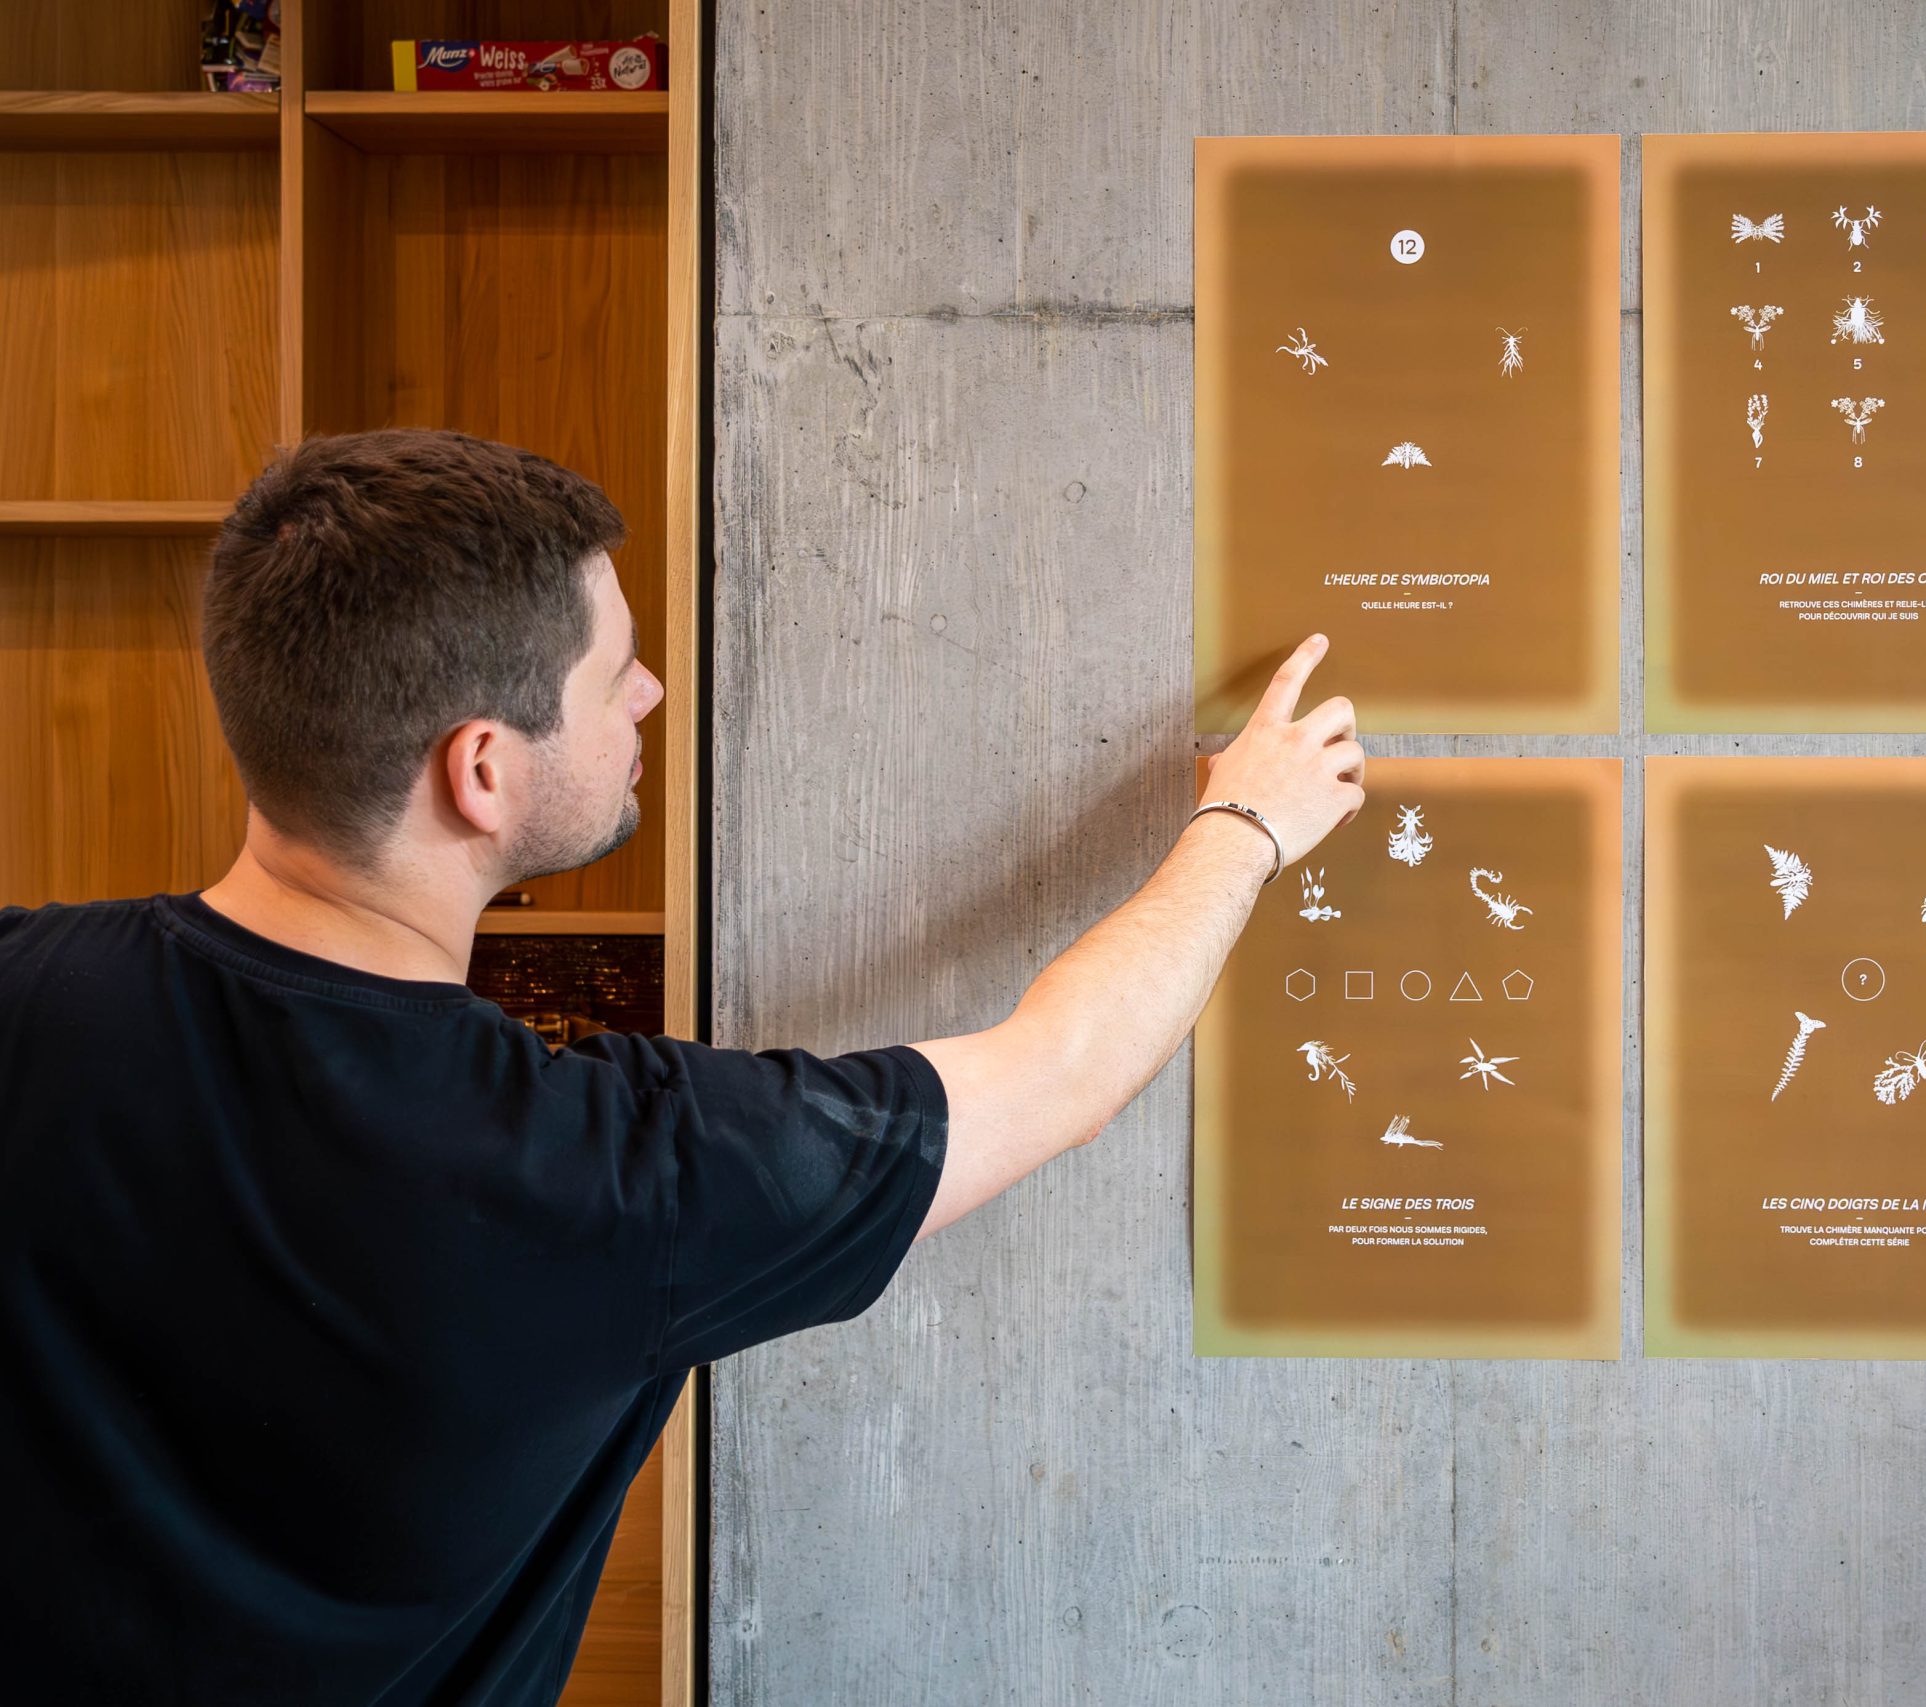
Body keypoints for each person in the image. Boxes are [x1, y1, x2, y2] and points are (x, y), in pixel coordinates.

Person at [0, 429, 1363, 1701]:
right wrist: (1253, 818)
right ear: (480, 770)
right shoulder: (613, 1179)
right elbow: (1061, 1070)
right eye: (614, 674)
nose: (651, 689)